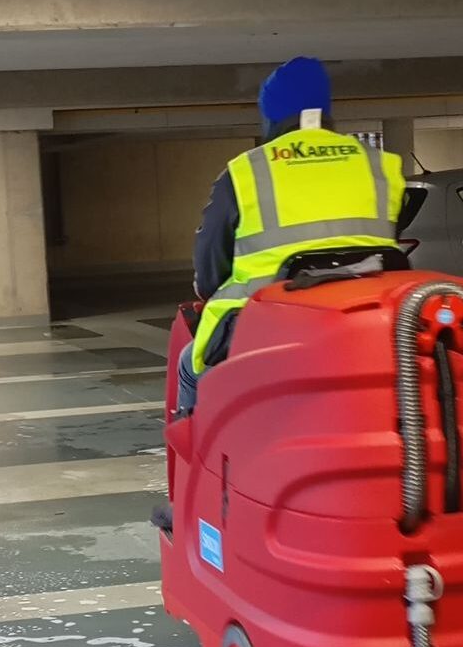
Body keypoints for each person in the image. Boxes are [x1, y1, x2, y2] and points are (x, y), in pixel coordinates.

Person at [175, 56, 410, 413]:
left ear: (271, 114)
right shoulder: (381, 165)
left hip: (264, 328)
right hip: (368, 322)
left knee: (189, 365)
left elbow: (210, 268)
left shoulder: (246, 171)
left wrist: (211, 288)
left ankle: (193, 441)